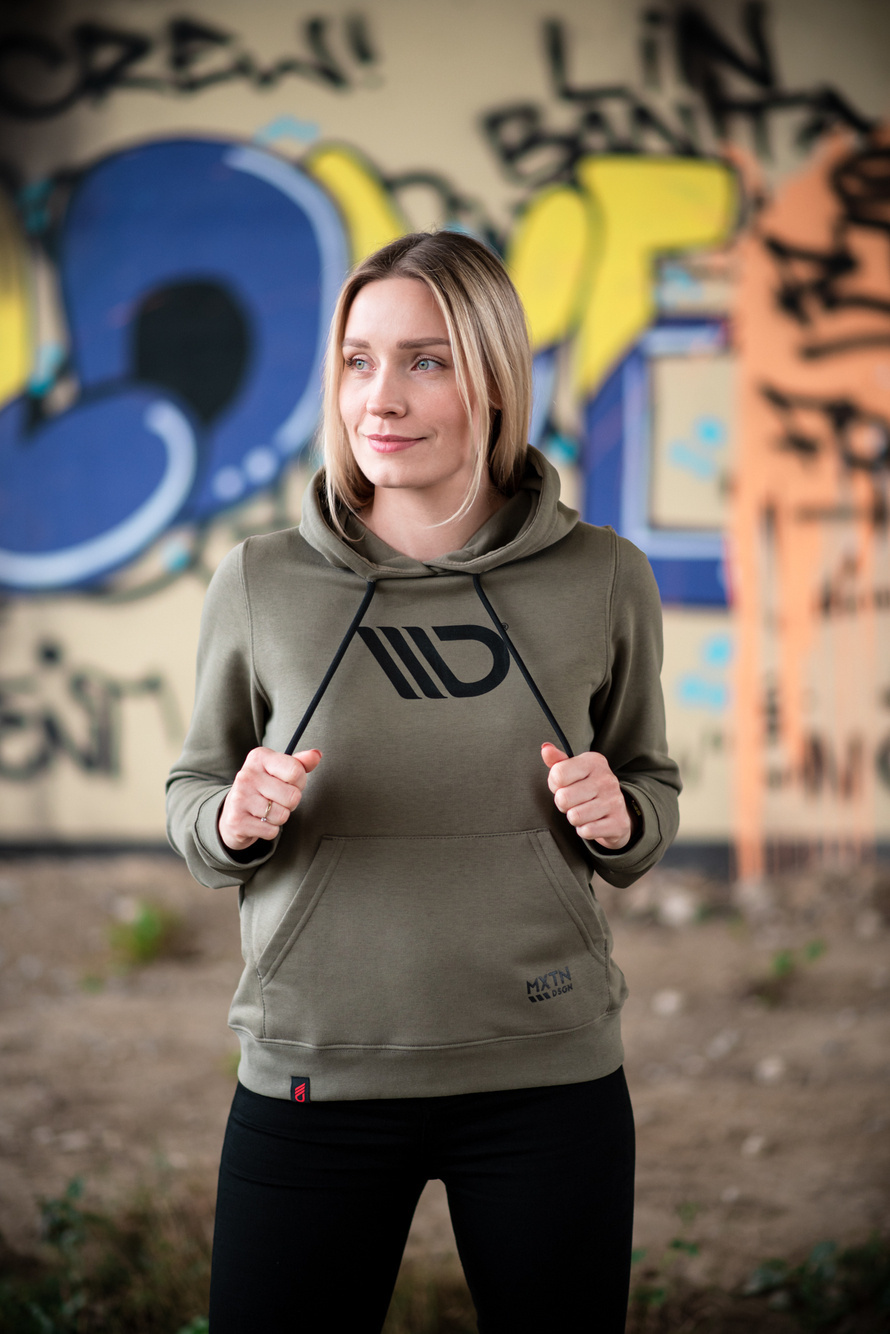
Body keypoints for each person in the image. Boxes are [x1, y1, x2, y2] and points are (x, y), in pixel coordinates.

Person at [166, 230, 681, 1333]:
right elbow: (195, 788)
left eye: (425, 360)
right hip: (314, 1071)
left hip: (545, 1072)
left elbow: (648, 785)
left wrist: (622, 813)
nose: (381, 398)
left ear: (491, 379)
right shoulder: (260, 580)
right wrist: (232, 817)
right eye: (358, 360)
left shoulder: (602, 577)